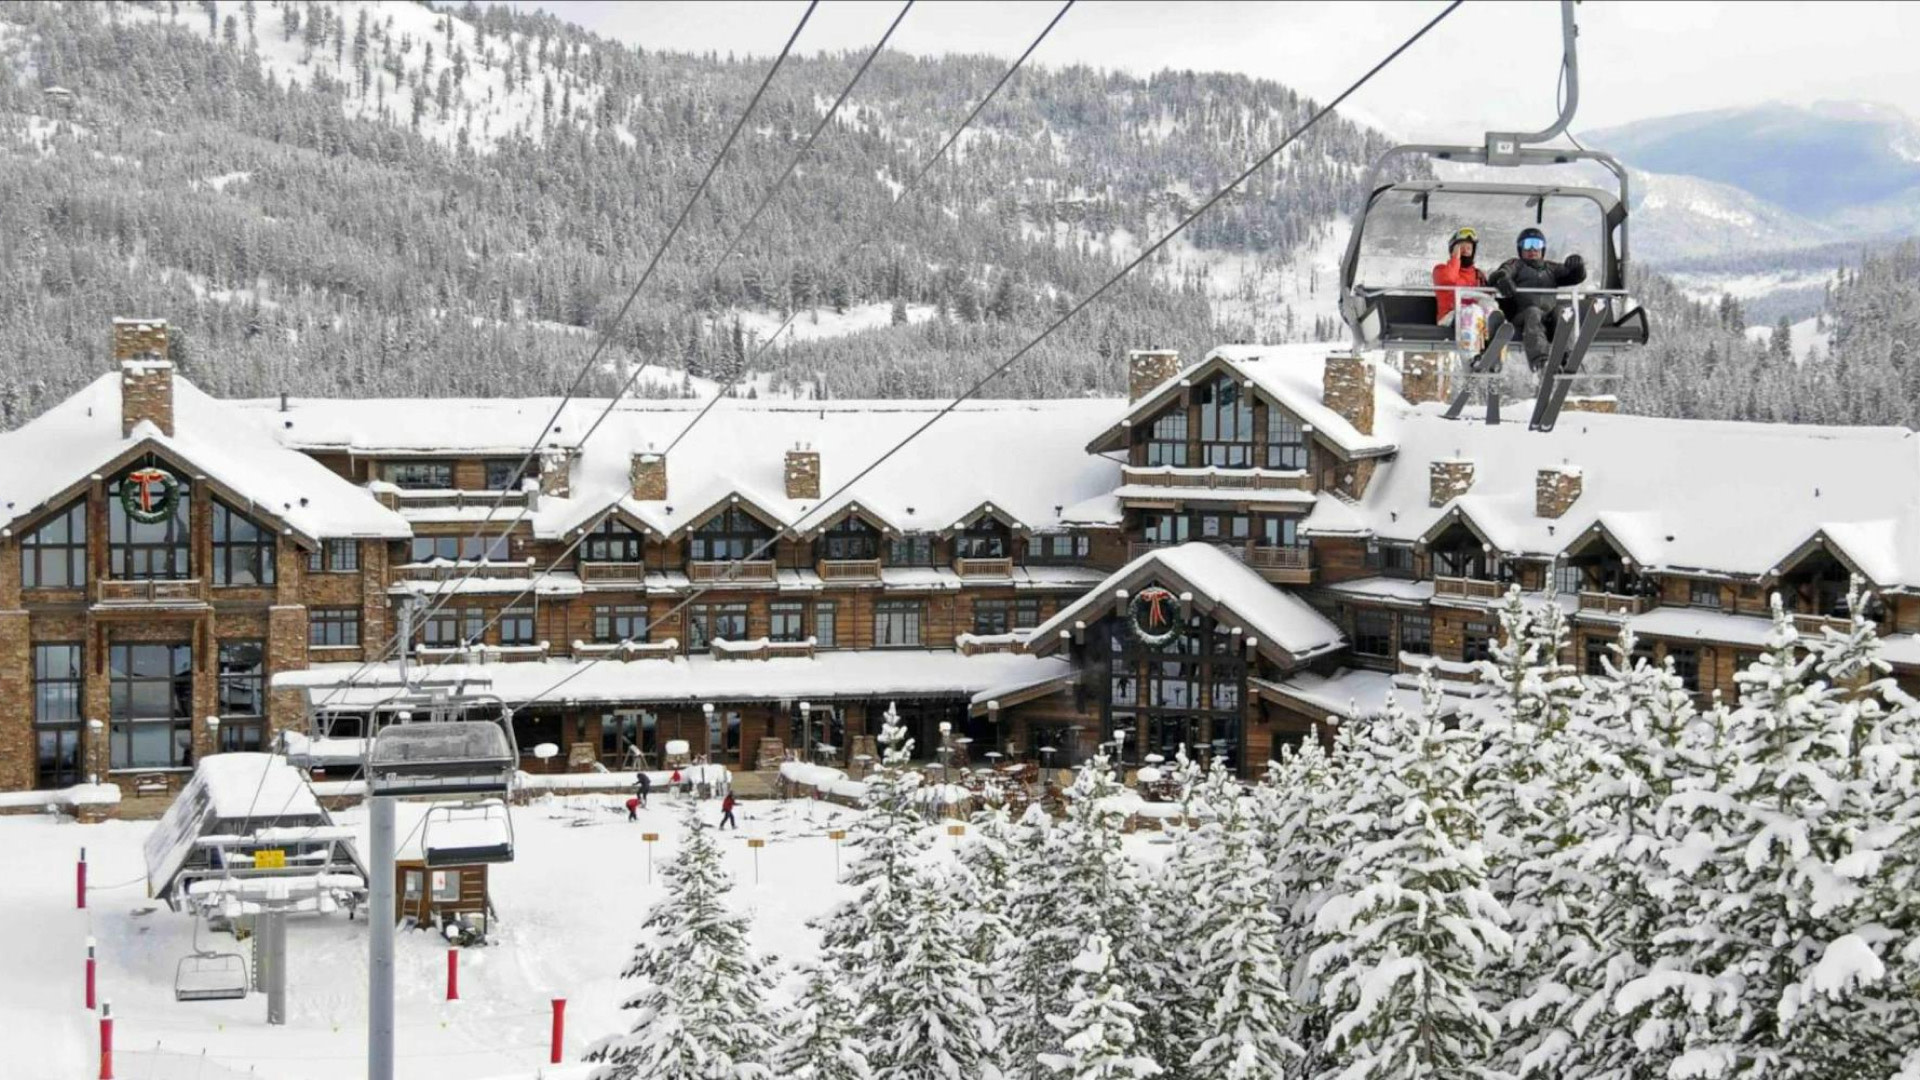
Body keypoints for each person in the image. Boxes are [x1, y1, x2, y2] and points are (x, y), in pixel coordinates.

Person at [1489, 227, 1587, 371]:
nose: (1533, 249)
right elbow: (1502, 272)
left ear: (1543, 248)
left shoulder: (1551, 268)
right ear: (1520, 248)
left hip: (1547, 316)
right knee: (1533, 312)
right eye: (1528, 244)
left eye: (1537, 244)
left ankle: (1566, 356)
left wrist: (1578, 266)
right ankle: (1540, 360)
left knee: (1563, 312)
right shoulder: (1516, 264)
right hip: (1522, 316)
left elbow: (1574, 277)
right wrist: (1501, 278)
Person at [1431, 227, 1486, 324]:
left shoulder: (1478, 274)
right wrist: (1456, 258)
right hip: (1449, 318)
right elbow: (1450, 279)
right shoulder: (1440, 270)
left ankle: (1495, 330)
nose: (1465, 251)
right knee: (1471, 313)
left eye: (1469, 248)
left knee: (1488, 306)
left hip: (1476, 319)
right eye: (1462, 248)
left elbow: (1486, 295)